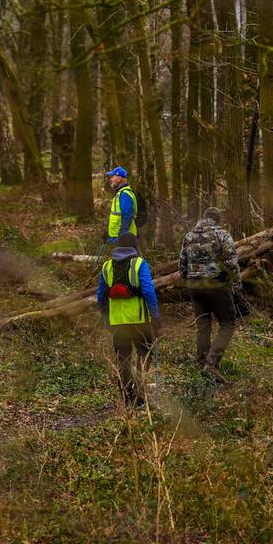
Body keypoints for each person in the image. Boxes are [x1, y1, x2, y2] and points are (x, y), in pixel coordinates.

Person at [96, 233, 160, 407]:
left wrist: (105, 318)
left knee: (123, 359)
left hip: (118, 324)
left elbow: (100, 295)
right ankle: (139, 394)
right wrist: (155, 316)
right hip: (140, 321)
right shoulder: (140, 264)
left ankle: (127, 395)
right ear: (134, 247)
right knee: (144, 356)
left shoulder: (107, 266)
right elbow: (148, 291)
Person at [179, 207, 241, 378]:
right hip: (216, 284)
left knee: (203, 324)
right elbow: (231, 262)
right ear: (217, 220)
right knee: (228, 323)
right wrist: (236, 285)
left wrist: (189, 281)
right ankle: (211, 363)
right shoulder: (222, 234)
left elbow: (182, 264)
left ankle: (201, 362)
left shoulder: (189, 236)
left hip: (194, 286)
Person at [105, 166, 139, 244]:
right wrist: (108, 232)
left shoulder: (125, 194)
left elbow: (127, 216)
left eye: (113, 177)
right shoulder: (120, 193)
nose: (111, 179)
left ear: (119, 178)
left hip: (124, 238)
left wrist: (122, 235)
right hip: (116, 236)